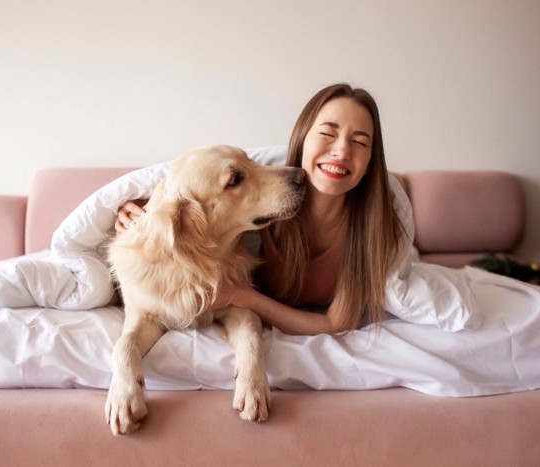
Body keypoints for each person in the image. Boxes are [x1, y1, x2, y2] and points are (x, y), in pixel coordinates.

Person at [116, 83, 410, 336]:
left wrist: (242, 296)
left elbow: (336, 323)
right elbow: (194, 186)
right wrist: (142, 214)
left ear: (371, 163)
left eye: (360, 142)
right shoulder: (266, 200)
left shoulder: (372, 229)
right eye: (327, 133)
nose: (342, 151)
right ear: (301, 140)